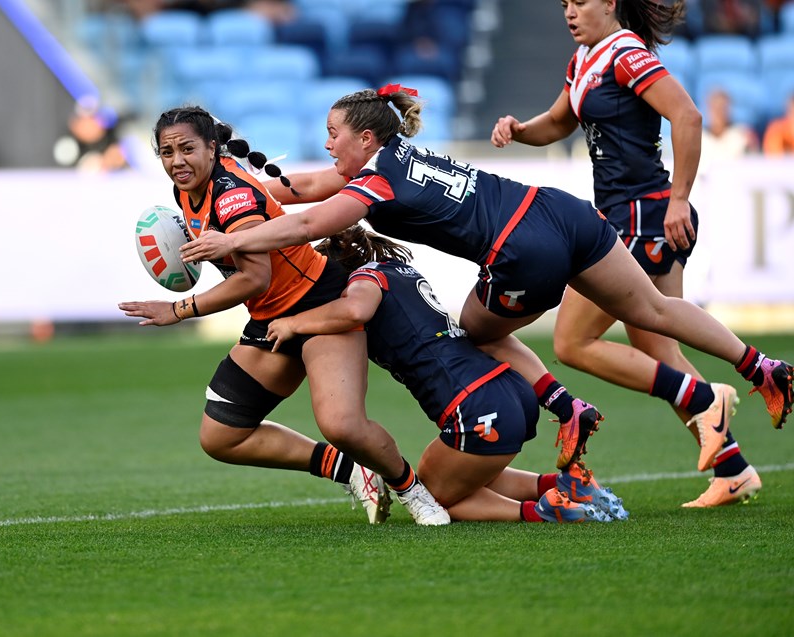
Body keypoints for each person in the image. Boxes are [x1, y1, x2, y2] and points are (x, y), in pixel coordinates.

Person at [179, 82, 794, 493]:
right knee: (658, 308)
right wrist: (245, 189)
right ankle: (762, 367)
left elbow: (313, 220)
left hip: (521, 253)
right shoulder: (396, 158)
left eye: (334, 132)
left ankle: (564, 406)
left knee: (472, 331)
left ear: (365, 139)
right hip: (558, 211)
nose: (326, 142)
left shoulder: (374, 185)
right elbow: (305, 190)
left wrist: (229, 240)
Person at [488, 0, 772, 507]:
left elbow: (686, 115)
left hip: (640, 217)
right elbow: (558, 122)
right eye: (564, 4)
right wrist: (519, 129)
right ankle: (733, 470)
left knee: (573, 342)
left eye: (579, 2)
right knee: (661, 347)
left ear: (610, 4)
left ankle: (713, 396)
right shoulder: (585, 60)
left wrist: (680, 198)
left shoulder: (626, 53)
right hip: (632, 216)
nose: (569, 12)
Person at [118, 105, 450, 526]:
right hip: (271, 319)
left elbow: (255, 278)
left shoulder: (231, 195)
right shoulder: (186, 188)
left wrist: (179, 310)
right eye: (167, 152)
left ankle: (413, 492)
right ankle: (349, 470)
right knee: (221, 435)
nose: (177, 161)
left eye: (187, 149)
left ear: (211, 147)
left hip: (318, 303)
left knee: (343, 425)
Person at [267, 225, 627, 523]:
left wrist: (294, 323)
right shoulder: (400, 272)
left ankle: (541, 511)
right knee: (466, 474)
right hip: (506, 388)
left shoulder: (364, 279)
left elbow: (356, 310)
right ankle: (567, 484)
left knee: (434, 493)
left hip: (473, 404)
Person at [699, 87, 760, 174]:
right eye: (715, 108)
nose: (718, 113)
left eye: (722, 108)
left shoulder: (743, 134)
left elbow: (755, 165)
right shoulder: (699, 138)